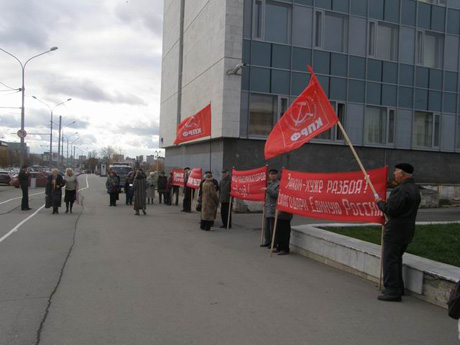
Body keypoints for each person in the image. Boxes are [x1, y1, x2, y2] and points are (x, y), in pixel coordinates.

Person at [375, 163, 421, 302]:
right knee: (396, 260)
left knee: (390, 261)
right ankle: (398, 287)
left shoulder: (401, 190)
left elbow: (391, 210)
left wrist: (379, 203)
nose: (394, 174)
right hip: (406, 231)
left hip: (395, 231)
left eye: (396, 172)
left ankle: (392, 292)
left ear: (402, 174)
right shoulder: (414, 189)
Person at [260, 169, 279, 248]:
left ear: (276, 175)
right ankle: (267, 241)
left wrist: (267, 189)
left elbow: (276, 194)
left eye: (274, 174)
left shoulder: (278, 184)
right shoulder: (268, 183)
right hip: (267, 207)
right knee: (266, 227)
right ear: (269, 175)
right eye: (271, 174)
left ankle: (273, 243)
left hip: (273, 208)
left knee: (272, 228)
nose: (272, 175)